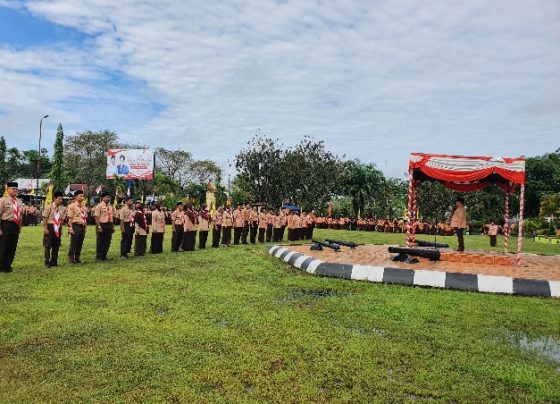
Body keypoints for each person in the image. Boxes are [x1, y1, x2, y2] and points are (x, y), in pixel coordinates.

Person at [0, 181, 24, 272]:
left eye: (16, 189)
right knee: (4, 246)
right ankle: (2, 266)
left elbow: (20, 215)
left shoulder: (19, 201)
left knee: (13, 246)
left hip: (16, 225)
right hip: (6, 224)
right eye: (13, 189)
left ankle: (8, 265)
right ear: (7, 189)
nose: (15, 190)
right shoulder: (3, 200)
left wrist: (20, 226)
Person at [42, 191, 66, 268]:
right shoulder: (49, 207)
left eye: (61, 199)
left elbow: (61, 220)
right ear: (54, 198)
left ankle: (54, 261)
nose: (60, 200)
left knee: (56, 245)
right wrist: (45, 228)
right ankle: (47, 261)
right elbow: (45, 218)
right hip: (50, 226)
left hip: (58, 227)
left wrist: (61, 229)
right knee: (48, 245)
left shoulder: (61, 209)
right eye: (59, 199)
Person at [94, 192, 115, 261]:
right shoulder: (99, 206)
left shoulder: (110, 206)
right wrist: (99, 227)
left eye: (109, 197)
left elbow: (111, 217)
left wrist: (113, 226)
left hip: (109, 225)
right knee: (100, 241)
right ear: (103, 198)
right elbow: (96, 217)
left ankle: (104, 256)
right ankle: (99, 257)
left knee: (107, 241)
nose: (109, 199)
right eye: (107, 197)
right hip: (102, 224)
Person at [67, 190, 87, 264]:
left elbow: (84, 217)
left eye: (83, 196)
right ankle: (71, 258)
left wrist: (85, 226)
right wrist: (70, 228)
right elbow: (70, 218)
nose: (82, 197)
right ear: (75, 197)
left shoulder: (83, 206)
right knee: (74, 243)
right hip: (75, 226)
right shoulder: (72, 206)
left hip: (82, 226)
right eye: (80, 196)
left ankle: (77, 257)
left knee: (80, 243)